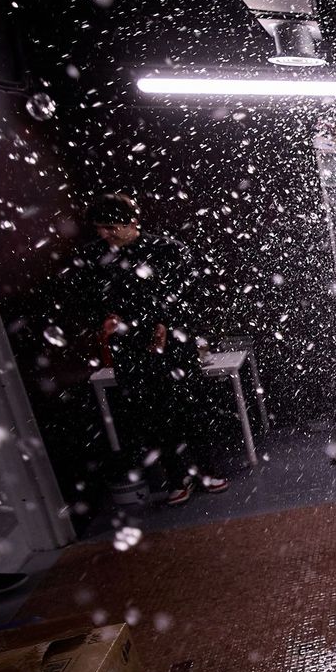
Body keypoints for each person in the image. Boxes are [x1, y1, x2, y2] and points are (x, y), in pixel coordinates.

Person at [77, 194, 229, 505]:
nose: (104, 234)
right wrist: (103, 320)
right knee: (151, 415)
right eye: (99, 228)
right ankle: (176, 477)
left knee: (191, 407)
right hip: (129, 347)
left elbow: (188, 291)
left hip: (174, 343)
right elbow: (86, 299)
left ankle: (207, 470)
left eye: (109, 227)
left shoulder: (166, 249)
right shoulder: (94, 256)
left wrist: (164, 322)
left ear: (130, 222)